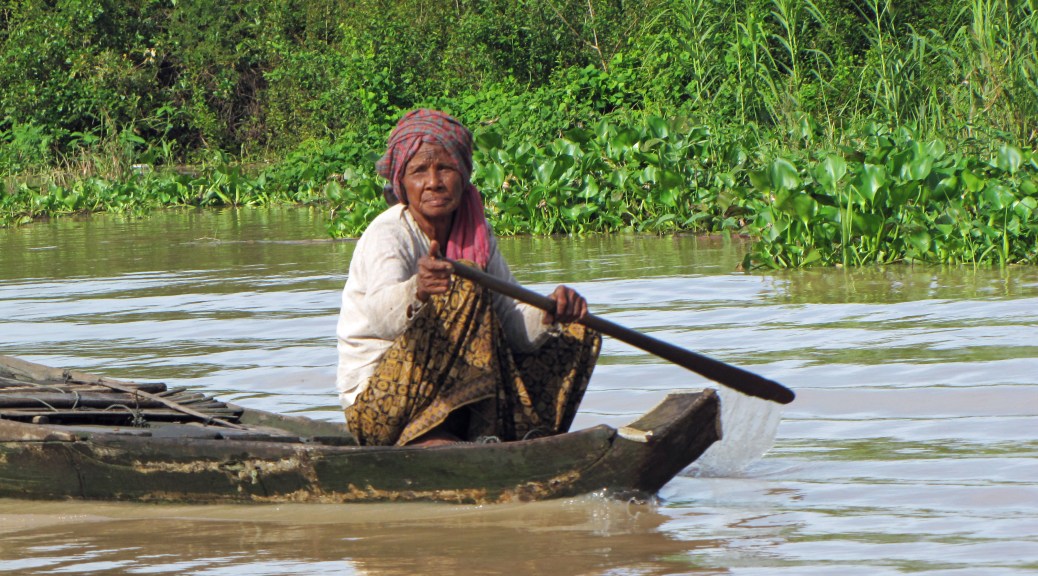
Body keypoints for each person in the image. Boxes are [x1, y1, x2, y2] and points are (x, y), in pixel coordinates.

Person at [335, 109, 601, 447]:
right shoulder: (389, 233)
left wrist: (550, 314)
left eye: (444, 168)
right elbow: (379, 318)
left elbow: (510, 320)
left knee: (577, 330)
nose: (433, 182)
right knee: (465, 282)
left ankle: (512, 434)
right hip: (379, 408)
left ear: (463, 174)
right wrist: (417, 290)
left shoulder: (476, 232)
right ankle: (429, 438)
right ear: (402, 183)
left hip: (449, 397)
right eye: (419, 171)